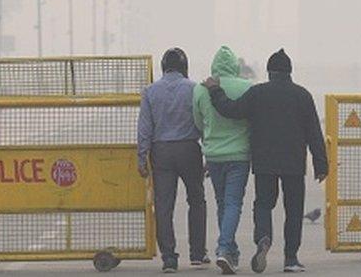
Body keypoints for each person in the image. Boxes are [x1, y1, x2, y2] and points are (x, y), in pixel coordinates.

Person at [203, 48, 327, 274]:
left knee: (263, 204)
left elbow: (231, 110)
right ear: (289, 72)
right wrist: (321, 165)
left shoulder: (257, 93)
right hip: (293, 163)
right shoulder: (302, 95)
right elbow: (314, 133)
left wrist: (215, 90)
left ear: (269, 72)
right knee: (294, 209)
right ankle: (290, 259)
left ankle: (263, 238)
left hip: (264, 162)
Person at [137, 47, 209, 273]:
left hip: (162, 152)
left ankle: (169, 258)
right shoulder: (195, 88)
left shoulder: (150, 91)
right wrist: (209, 152)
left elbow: (144, 128)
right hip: (189, 149)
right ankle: (197, 254)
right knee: (196, 201)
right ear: (184, 67)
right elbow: (204, 122)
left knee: (164, 205)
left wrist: (142, 157)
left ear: (163, 67)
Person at [192, 46, 252, 274]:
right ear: (235, 65)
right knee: (233, 203)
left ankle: (230, 252)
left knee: (222, 203)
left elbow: (198, 123)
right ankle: (224, 248)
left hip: (214, 154)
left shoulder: (200, 90)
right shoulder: (247, 87)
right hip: (239, 155)